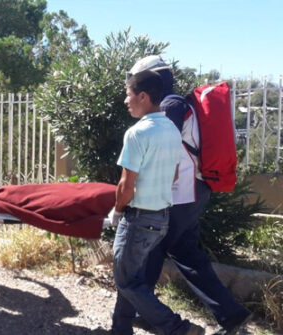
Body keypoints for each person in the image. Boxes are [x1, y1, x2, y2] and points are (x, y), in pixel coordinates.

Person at [118, 55, 252, 335]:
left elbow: (160, 145)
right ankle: (231, 315)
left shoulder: (170, 106)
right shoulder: (178, 102)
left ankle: (143, 320)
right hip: (192, 191)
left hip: (180, 194)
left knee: (148, 252)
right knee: (185, 254)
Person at [109, 70, 204, 335]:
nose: (126, 101)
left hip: (138, 218)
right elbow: (174, 175)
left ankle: (177, 328)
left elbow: (126, 186)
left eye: (128, 95)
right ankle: (120, 329)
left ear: (143, 96)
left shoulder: (137, 133)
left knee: (126, 282)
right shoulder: (172, 130)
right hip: (161, 218)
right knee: (131, 279)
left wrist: (117, 211)